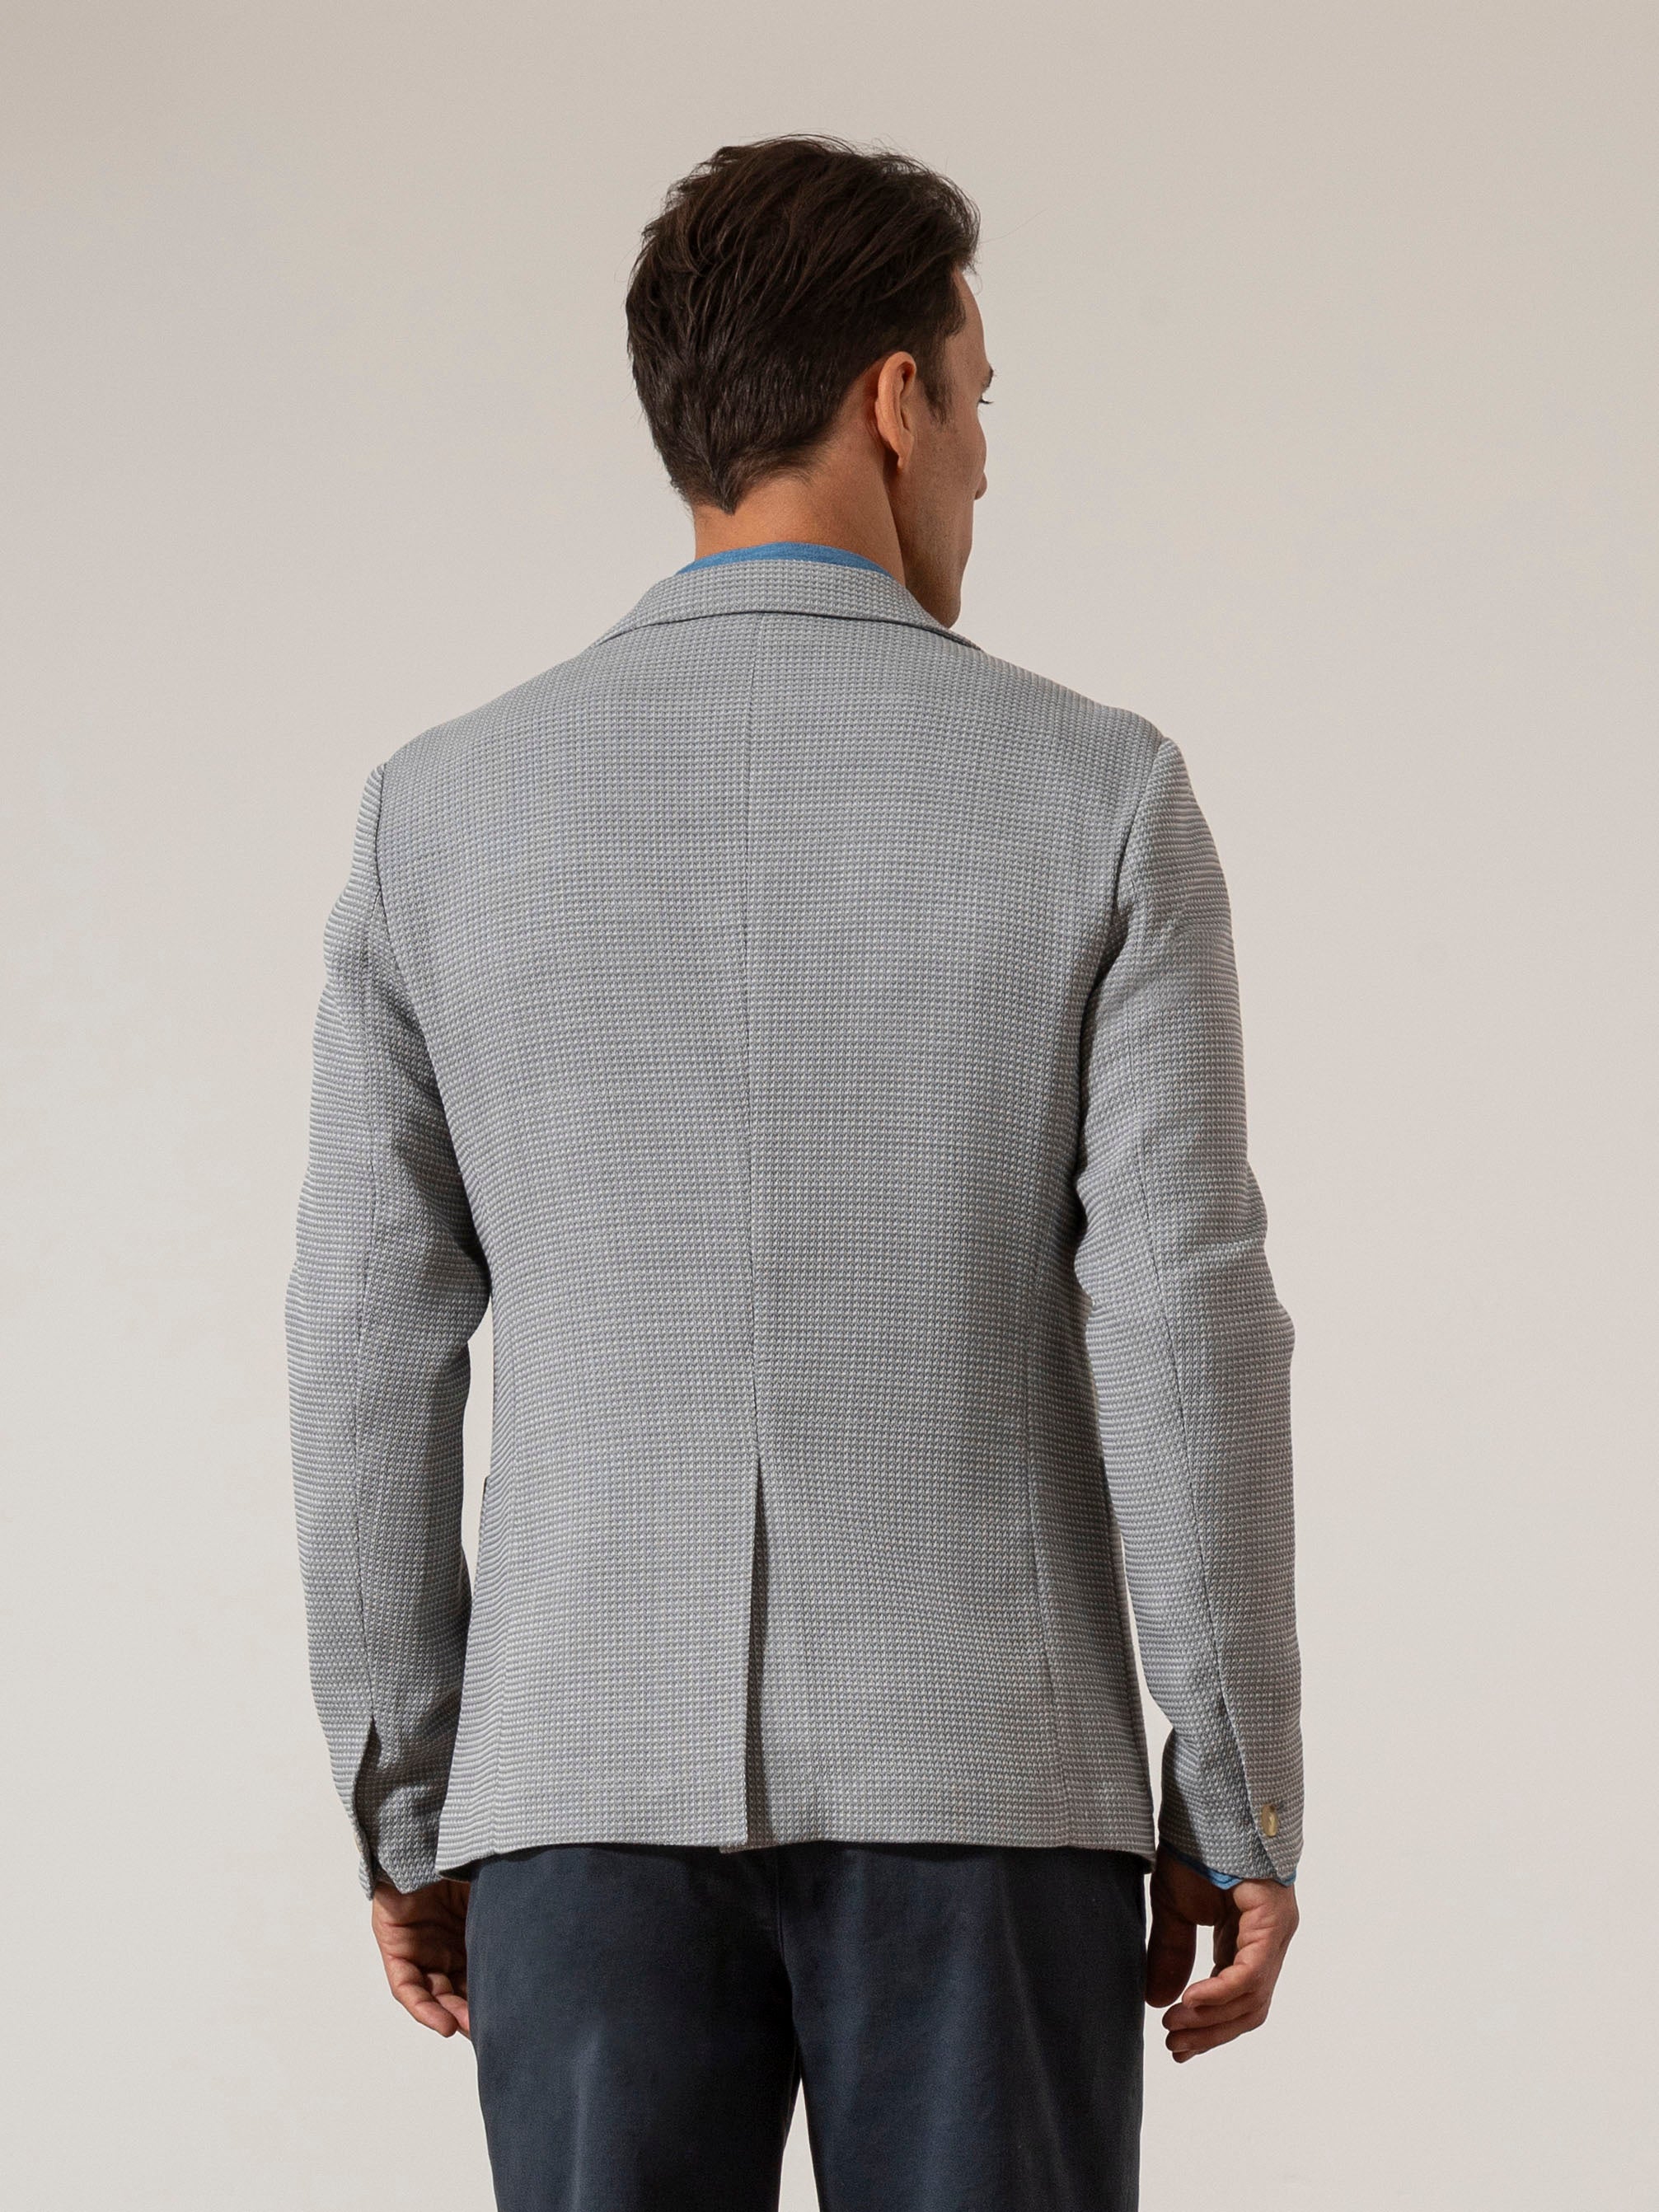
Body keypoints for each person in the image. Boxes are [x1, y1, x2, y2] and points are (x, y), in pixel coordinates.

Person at [285, 133, 1303, 2212]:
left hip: (577, 1789)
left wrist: (412, 1794)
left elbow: (362, 1351)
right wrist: (1232, 1783)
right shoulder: (1098, 794)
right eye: (981, 397)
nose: (986, 462)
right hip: (986, 1787)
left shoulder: (438, 815)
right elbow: (1184, 1316)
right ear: (893, 398)